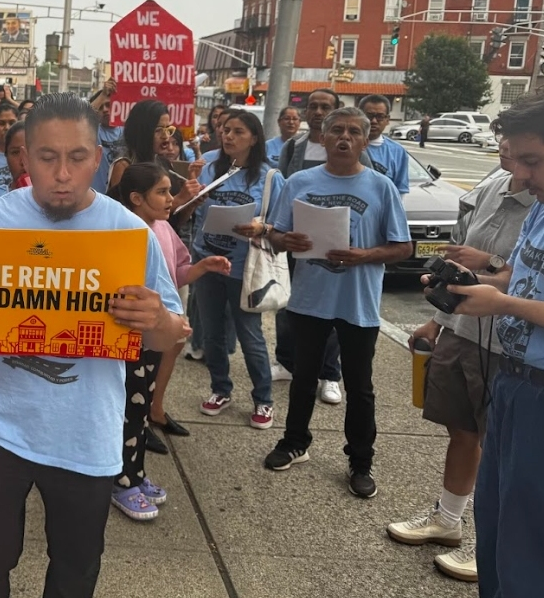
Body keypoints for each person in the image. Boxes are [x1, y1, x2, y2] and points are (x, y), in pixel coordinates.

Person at [0, 93, 186, 598]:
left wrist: (158, 321)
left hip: (87, 435)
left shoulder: (128, 232)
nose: (63, 173)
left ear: (98, 158)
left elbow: (170, 336)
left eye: (77, 157)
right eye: (47, 157)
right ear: (25, 156)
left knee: (75, 570)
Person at [386, 138, 531, 583]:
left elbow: (523, 270)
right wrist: (438, 318)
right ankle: (448, 520)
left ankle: (493, 546)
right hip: (464, 328)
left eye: (520, 146)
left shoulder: (538, 197)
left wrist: (489, 259)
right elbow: (466, 263)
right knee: (461, 430)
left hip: (511, 343)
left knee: (504, 451)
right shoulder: (493, 184)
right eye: (501, 137)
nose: (504, 148)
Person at [422, 95, 544, 598]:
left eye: (531, 161)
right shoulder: (538, 211)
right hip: (512, 382)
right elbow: (522, 277)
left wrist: (502, 302)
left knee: (526, 535)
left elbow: (516, 296)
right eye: (512, 159)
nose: (518, 175)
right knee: (495, 524)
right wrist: (473, 285)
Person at [264, 107, 411, 498]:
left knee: (360, 386)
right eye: (337, 131)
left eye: (353, 132)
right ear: (323, 138)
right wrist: (285, 241)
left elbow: (403, 247)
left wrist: (365, 255)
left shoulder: (382, 188)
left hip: (357, 303)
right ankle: (294, 442)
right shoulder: (298, 182)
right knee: (303, 377)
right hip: (310, 299)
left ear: (364, 141)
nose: (344, 138)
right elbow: (276, 235)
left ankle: (360, 461)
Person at [108, 163, 228, 520]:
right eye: (162, 192)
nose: (171, 199)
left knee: (142, 409)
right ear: (136, 199)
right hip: (129, 337)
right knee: (129, 410)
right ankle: (122, 481)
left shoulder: (163, 229)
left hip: (156, 336)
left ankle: (136, 472)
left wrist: (202, 268)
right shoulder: (122, 233)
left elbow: (175, 274)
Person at [274, 88, 374, 404]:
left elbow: (368, 186)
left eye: (324, 106)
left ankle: (330, 374)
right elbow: (284, 194)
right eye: (313, 106)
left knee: (334, 316)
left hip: (340, 248)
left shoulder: (358, 156)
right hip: (301, 245)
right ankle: (287, 360)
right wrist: (283, 236)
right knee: (291, 308)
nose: (317, 111)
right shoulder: (294, 147)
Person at [186, 110, 283, 429]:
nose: (228, 136)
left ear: (254, 138)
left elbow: (280, 225)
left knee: (250, 334)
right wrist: (191, 198)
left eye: (238, 132)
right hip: (207, 260)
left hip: (244, 267)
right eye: (225, 130)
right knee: (212, 332)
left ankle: (263, 400)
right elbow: (186, 210)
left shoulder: (269, 177)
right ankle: (220, 389)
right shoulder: (210, 166)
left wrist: (262, 226)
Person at [360, 95, 409, 195]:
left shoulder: (397, 152)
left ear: (387, 120)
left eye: (380, 117)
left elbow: (400, 191)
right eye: (369, 116)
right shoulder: (346, 145)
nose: (373, 121)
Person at [89, 78, 125, 194]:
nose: (105, 110)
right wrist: (103, 94)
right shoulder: (92, 131)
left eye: (109, 105)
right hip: (96, 196)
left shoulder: (127, 131)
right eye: (101, 107)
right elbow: (83, 116)